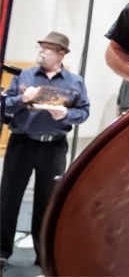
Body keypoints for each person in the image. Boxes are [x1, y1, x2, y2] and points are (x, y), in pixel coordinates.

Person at [0, 31, 89, 267]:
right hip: (22, 143)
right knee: (8, 199)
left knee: (46, 201)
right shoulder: (26, 76)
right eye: (41, 47)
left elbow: (84, 112)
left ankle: (44, 257)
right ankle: (1, 253)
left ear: (61, 54)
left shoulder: (75, 82)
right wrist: (21, 99)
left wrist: (66, 114)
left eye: (48, 48)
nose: (41, 51)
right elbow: (5, 106)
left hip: (54, 147)